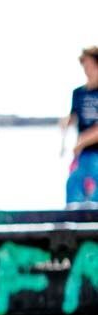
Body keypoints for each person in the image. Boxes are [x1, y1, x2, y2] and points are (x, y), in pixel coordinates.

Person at [62, 46, 98, 204]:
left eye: (91, 66)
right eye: (85, 67)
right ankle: (75, 223)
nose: (87, 71)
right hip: (83, 154)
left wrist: (83, 140)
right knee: (73, 185)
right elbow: (73, 115)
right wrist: (66, 122)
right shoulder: (78, 93)